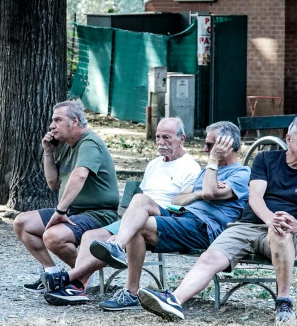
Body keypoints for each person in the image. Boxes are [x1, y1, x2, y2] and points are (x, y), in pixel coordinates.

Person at [135, 117, 297, 322]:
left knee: (280, 232)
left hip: (285, 232)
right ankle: (174, 301)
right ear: (289, 139)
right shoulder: (266, 159)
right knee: (210, 257)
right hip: (246, 226)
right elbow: (255, 197)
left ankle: (283, 301)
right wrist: (269, 219)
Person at [78, 121, 251, 311]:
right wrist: (199, 193)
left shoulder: (241, 173)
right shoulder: (207, 172)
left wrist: (211, 167)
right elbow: (178, 199)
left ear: (227, 145)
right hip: (184, 215)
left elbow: (209, 192)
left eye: (210, 145)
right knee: (140, 199)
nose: (205, 150)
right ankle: (118, 246)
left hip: (205, 227)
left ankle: (130, 292)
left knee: (140, 226)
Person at [40, 116, 201, 305]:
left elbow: (182, 205)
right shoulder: (154, 164)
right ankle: (78, 287)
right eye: (158, 137)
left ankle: (72, 278)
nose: (160, 142)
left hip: (165, 220)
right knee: (91, 236)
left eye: (166, 137)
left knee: (133, 210)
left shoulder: (191, 167)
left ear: (182, 138)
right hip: (138, 215)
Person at [14, 100, 120, 292]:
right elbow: (53, 182)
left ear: (75, 121)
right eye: (52, 121)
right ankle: (52, 274)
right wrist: (48, 152)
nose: (51, 126)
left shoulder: (89, 143)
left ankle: (81, 275)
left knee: (53, 237)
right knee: (23, 223)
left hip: (99, 214)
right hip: (74, 212)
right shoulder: (65, 146)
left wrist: (60, 211)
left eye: (58, 120)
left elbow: (80, 175)